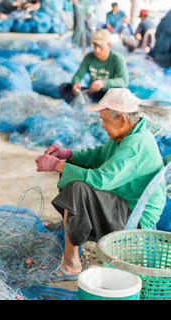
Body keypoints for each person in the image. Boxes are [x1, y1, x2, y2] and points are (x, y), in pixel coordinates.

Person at [35, 88, 166, 281]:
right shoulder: (126, 134)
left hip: (135, 219)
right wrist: (68, 155)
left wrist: (59, 165)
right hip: (122, 202)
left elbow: (101, 180)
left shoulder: (134, 145)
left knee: (77, 188)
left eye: (105, 120)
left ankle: (72, 264)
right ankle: (69, 223)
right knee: (73, 171)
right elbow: (98, 156)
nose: (102, 125)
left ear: (122, 119)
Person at [59, 29, 128, 105]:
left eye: (100, 46)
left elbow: (124, 81)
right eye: (95, 45)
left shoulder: (117, 59)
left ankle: (105, 107)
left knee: (120, 91)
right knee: (64, 87)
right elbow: (78, 75)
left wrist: (103, 83)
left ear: (109, 45)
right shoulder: (89, 57)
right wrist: (75, 83)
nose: (97, 50)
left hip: (109, 94)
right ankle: (83, 105)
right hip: (92, 93)